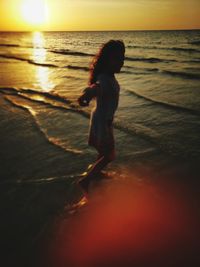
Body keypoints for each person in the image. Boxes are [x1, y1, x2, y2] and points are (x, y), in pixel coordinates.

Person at [77, 39, 125, 194]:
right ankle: (86, 180)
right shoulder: (105, 78)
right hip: (103, 121)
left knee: (103, 151)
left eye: (122, 58)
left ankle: (96, 173)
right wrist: (87, 95)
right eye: (117, 58)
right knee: (109, 155)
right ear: (107, 60)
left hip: (103, 119)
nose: (121, 62)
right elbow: (95, 88)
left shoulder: (109, 77)